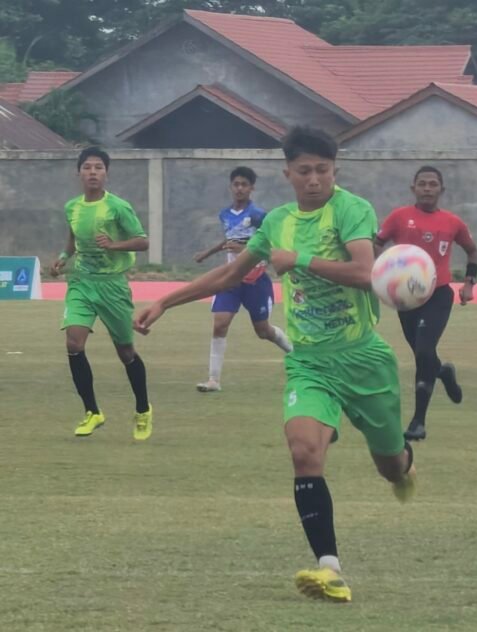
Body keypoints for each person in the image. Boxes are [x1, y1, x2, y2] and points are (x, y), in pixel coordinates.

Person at [134, 126, 416, 603]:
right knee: (303, 450)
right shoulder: (277, 223)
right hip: (309, 363)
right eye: (304, 171)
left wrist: (298, 258)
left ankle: (404, 463)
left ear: (335, 171)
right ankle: (330, 569)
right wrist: (165, 301)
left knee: (391, 467)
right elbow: (228, 273)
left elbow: (366, 272)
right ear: (287, 173)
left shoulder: (350, 209)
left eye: (322, 171)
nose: (313, 180)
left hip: (364, 359)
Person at [50, 146, 153, 440]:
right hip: (82, 282)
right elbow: (72, 238)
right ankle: (92, 412)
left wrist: (114, 245)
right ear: (78, 173)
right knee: (73, 342)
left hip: (112, 285)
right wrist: (62, 257)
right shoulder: (72, 207)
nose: (92, 172)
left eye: (98, 167)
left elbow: (142, 242)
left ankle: (143, 410)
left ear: (106, 173)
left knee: (125, 351)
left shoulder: (118, 207)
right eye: (87, 167)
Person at [375, 166, 477, 441]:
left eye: (433, 184)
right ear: (413, 188)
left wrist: (469, 283)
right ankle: (443, 371)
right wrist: (378, 271)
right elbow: (377, 244)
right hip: (405, 298)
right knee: (424, 355)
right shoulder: (399, 217)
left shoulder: (452, 222)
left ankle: (418, 422)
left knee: (423, 351)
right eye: (422, 184)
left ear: (441, 190)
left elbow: (472, 250)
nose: (427, 188)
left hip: (438, 294)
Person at [193, 166, 292, 392]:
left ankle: (297, 354)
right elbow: (229, 240)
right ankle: (213, 380)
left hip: (256, 279)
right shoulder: (225, 214)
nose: (239, 188)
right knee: (220, 323)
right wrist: (207, 253)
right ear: (231, 187)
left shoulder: (259, 215)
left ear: (252, 188)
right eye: (236, 184)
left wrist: (243, 248)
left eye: (244, 184)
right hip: (231, 278)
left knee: (263, 331)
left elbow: (269, 244)